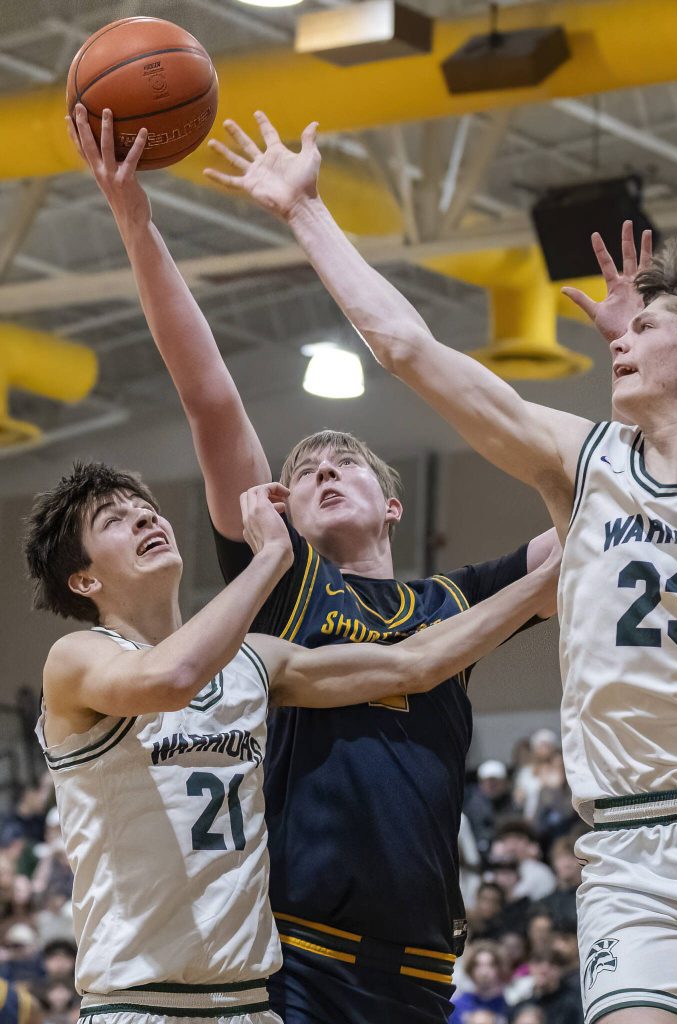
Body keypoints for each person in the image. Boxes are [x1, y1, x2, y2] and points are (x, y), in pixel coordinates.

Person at [211, 110, 677, 1024]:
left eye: (643, 328)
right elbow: (407, 348)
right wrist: (305, 211)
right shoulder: (583, 463)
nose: (619, 338)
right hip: (628, 846)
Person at [68, 104, 560, 1024]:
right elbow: (210, 397)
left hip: (422, 954)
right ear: (281, 510)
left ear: (393, 502)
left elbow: (593, 501)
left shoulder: (456, 597)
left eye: (345, 466)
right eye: (303, 472)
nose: (321, 471)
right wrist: (137, 224)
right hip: (296, 943)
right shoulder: (284, 579)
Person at [24, 460, 557, 1024]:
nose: (143, 518)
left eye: (145, 508)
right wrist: (274, 557)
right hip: (139, 1003)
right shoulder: (78, 657)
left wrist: (549, 580)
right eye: (114, 519)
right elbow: (171, 679)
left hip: (250, 1005)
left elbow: (414, 663)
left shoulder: (254, 660)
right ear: (83, 580)